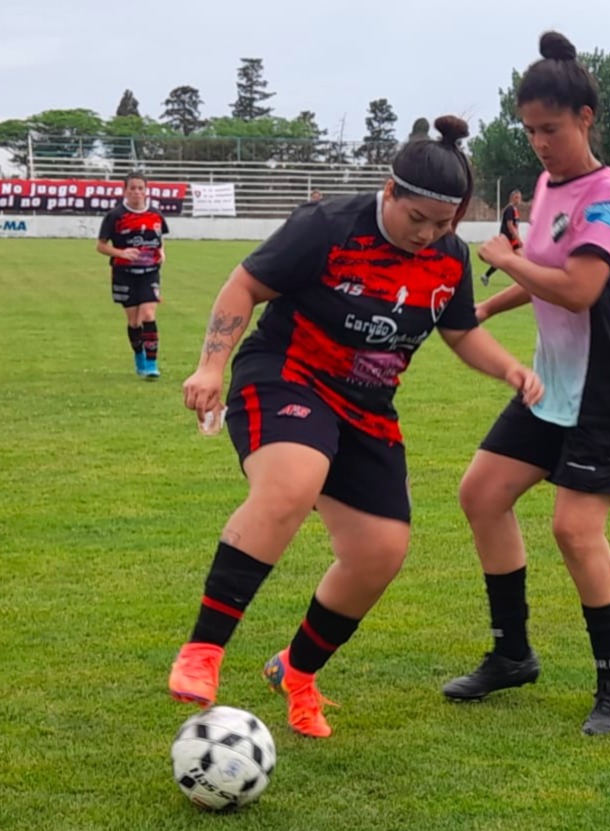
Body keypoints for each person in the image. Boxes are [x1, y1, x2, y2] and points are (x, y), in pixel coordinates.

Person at [168, 116, 544, 739]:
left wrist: (509, 368)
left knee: (380, 552)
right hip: (287, 375)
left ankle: (297, 672)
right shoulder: (327, 227)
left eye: (441, 225)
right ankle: (204, 650)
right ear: (388, 192)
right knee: (293, 481)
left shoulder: (447, 259)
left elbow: (460, 332)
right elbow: (243, 286)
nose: (427, 235)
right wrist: (211, 364)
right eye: (416, 218)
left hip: (368, 405)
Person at [442, 32, 610, 736]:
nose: (539, 142)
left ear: (587, 118)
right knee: (481, 493)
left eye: (552, 128)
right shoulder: (547, 185)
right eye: (529, 129)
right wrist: (484, 305)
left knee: (574, 526)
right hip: (555, 385)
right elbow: (543, 273)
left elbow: (578, 288)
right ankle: (513, 653)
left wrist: (503, 261)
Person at [96, 172, 168, 378]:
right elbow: (100, 246)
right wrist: (121, 253)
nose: (136, 192)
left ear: (146, 191)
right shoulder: (115, 216)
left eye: (140, 188)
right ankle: (139, 357)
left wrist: (162, 251)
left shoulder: (155, 214)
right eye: (132, 188)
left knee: (148, 315)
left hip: (149, 272)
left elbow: (159, 237)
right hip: (124, 274)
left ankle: (152, 364)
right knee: (134, 322)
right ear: (125, 190)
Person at [481, 189, 523, 286]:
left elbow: (515, 225)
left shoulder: (515, 210)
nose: (519, 200)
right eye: (517, 197)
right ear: (512, 198)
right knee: (520, 259)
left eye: (520, 197)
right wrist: (518, 238)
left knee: (508, 260)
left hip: (512, 238)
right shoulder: (510, 209)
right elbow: (510, 225)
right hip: (508, 238)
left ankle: (486, 275)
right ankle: (521, 281)